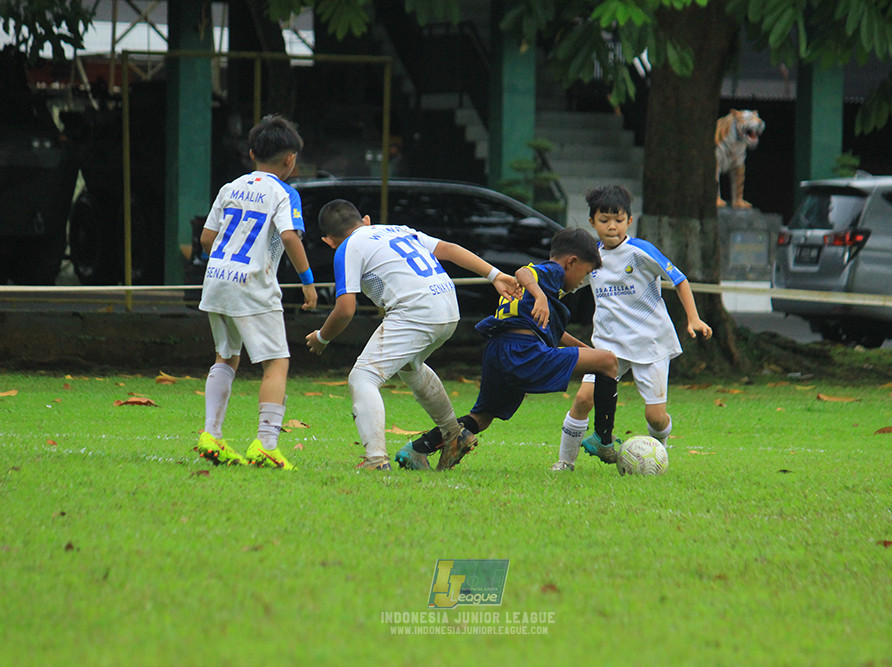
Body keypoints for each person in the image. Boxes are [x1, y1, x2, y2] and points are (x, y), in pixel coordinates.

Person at [304, 199, 520, 471]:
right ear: (366, 220)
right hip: (448, 306)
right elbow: (450, 250)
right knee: (411, 366)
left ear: (328, 241)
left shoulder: (347, 248)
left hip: (415, 311)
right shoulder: (399, 230)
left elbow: (345, 309)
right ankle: (453, 434)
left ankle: (375, 460)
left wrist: (322, 338)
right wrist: (495, 275)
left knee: (363, 377)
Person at [401, 227, 618, 471]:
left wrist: (590, 352)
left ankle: (417, 449)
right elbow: (523, 272)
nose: (581, 282)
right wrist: (539, 295)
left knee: (481, 419)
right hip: (521, 352)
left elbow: (557, 334)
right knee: (609, 362)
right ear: (572, 262)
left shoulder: (546, 292)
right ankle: (603, 440)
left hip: (499, 350)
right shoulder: (551, 272)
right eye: (585, 273)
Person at [552, 184, 712, 472]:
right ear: (592, 222)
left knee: (655, 417)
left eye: (618, 219)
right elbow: (569, 284)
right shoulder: (592, 258)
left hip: (649, 343)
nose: (611, 226)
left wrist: (693, 318)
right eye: (604, 220)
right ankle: (565, 463)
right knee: (582, 398)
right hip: (607, 346)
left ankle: (657, 456)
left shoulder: (641, 252)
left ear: (629, 221)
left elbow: (680, 280)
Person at [193, 114, 318, 471]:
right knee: (276, 362)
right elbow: (291, 236)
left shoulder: (230, 188)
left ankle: (212, 435)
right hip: (253, 284)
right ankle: (265, 444)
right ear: (290, 159)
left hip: (217, 280)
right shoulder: (283, 192)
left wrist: (227, 257)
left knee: (225, 357)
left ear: (252, 154)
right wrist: (308, 281)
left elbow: (205, 239)